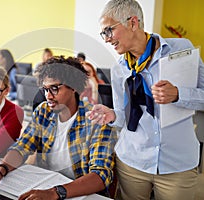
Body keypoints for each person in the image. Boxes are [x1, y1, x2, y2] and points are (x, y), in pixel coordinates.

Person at [87, 0, 204, 199]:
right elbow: (124, 118)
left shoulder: (181, 49)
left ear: (133, 22)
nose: (106, 39)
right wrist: (113, 115)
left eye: (109, 31)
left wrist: (178, 94)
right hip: (132, 163)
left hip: (177, 165)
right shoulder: (119, 70)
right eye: (103, 33)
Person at [0, 56, 116, 199]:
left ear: (73, 86)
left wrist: (55, 193)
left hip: (79, 193)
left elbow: (100, 176)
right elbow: (22, 147)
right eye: (45, 89)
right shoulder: (43, 111)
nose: (48, 96)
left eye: (54, 88)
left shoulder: (96, 119)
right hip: (46, 186)